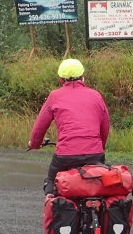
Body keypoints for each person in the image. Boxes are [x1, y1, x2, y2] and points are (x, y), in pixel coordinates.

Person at [29, 58, 111, 196]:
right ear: (83, 76)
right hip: (94, 154)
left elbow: (40, 125)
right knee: (98, 185)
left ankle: (53, 200)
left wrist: (35, 144)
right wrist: (99, 146)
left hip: (65, 155)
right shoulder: (95, 95)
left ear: (61, 79)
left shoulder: (55, 96)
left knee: (52, 182)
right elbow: (105, 126)